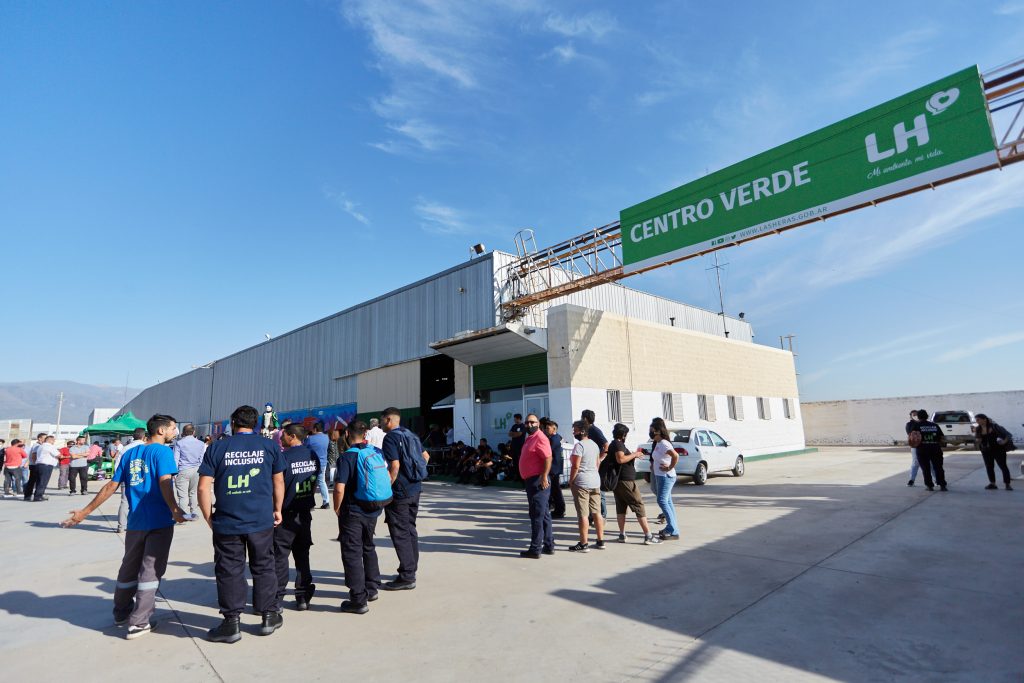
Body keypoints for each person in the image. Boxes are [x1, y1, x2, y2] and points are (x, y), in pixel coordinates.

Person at [61, 414, 185, 639]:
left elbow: (111, 486)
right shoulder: (163, 452)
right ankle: (139, 622)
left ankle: (121, 612)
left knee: (129, 567)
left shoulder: (130, 453)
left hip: (135, 521)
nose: (175, 432)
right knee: (151, 571)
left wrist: (84, 512)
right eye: (173, 428)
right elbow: (164, 482)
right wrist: (175, 509)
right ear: (161, 430)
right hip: (158, 521)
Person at [198, 405, 286, 643]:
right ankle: (269, 616)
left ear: (233, 423)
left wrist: (208, 517)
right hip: (261, 519)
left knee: (229, 569)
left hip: (228, 521)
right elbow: (278, 481)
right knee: (264, 566)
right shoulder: (269, 446)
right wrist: (277, 509)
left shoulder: (217, 447)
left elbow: (203, 487)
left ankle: (231, 623)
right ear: (256, 424)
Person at [333, 420, 391, 613]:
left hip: (353, 511)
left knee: (352, 552)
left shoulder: (346, 457)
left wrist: (337, 508)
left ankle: (358, 599)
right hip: (372, 508)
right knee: (368, 546)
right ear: (365, 434)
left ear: (347, 434)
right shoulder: (376, 451)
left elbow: (339, 488)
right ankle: (372, 588)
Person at [379, 407, 429, 590]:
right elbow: (426, 456)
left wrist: (386, 488)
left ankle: (407, 576)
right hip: (415, 488)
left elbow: (395, 466)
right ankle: (410, 568)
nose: (381, 423)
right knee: (410, 529)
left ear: (388, 420)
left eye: (382, 420)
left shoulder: (390, 438)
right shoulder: (411, 434)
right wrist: (415, 474)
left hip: (400, 491)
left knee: (400, 532)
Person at [275, 423, 319, 611]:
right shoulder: (312, 455)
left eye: (283, 435)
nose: (280, 438)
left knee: (280, 556)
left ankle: (277, 598)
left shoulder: (283, 457)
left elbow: (277, 485)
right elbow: (315, 479)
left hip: (286, 513)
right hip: (304, 511)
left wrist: (276, 509)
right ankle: (303, 596)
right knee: (302, 555)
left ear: (292, 436)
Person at [608, 423, 661, 541]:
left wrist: (633, 455)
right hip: (626, 481)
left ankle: (622, 534)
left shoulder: (615, 444)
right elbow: (620, 459)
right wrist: (634, 454)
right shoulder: (618, 444)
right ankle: (648, 536)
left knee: (621, 507)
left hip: (619, 481)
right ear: (623, 434)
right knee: (638, 505)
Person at [518, 413, 554, 558]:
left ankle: (535, 548)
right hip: (531, 480)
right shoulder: (530, 438)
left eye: (532, 422)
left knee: (536, 515)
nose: (529, 425)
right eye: (527, 423)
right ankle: (549, 545)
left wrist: (544, 476)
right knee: (543, 514)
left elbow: (548, 458)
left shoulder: (540, 437)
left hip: (537, 481)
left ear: (538, 423)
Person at [568, 420, 603, 553]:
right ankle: (600, 540)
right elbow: (597, 463)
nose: (574, 433)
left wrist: (571, 481)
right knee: (597, 512)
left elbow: (575, 466)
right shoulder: (594, 445)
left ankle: (584, 543)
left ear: (582, 431)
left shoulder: (579, 446)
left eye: (575, 430)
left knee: (583, 514)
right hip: (595, 481)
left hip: (582, 482)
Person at [644, 421, 678, 545]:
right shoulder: (658, 443)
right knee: (667, 501)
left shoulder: (664, 443)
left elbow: (675, 456)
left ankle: (673, 530)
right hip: (660, 476)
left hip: (666, 476)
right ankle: (672, 528)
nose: (650, 432)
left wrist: (669, 467)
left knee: (662, 500)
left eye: (652, 430)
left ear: (658, 431)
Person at [116, 429, 147, 533]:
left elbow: (117, 465)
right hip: (143, 479)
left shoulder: (125, 448)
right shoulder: (146, 448)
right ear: (143, 437)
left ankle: (121, 526)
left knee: (124, 501)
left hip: (126, 478)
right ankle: (140, 525)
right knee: (142, 501)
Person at [909, 409, 948, 492]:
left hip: (922, 449)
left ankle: (929, 486)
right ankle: (942, 485)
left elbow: (912, 439)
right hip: (935, 448)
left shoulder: (916, 426)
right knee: (938, 467)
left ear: (918, 417)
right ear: (927, 416)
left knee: (925, 468)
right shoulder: (934, 425)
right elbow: (942, 438)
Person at [581, 409, 609, 521]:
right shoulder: (586, 430)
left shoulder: (594, 430)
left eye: (582, 417)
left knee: (598, 490)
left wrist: (600, 459)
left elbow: (606, 445)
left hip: (597, 465)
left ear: (585, 419)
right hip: (589, 464)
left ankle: (602, 515)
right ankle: (592, 515)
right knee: (590, 489)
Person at [172, 424, 205, 519]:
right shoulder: (201, 443)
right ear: (193, 432)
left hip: (183, 470)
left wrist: (174, 472)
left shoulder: (179, 443)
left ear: (183, 432)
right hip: (196, 469)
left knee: (183, 495)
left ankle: (184, 515)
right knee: (193, 493)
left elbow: (175, 459)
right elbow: (202, 458)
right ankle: (193, 513)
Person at [974, 414, 1014, 491]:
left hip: (998, 450)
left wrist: (1004, 442)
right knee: (989, 467)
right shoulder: (978, 429)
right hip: (985, 450)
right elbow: (977, 439)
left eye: (978, 419)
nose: (977, 421)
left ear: (984, 419)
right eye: (976, 420)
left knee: (1003, 466)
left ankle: (1007, 484)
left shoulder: (995, 426)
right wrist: (978, 440)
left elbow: (1008, 435)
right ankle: (992, 484)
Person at [541, 418, 566, 518]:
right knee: (554, 490)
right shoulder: (556, 437)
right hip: (555, 467)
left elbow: (547, 452)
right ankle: (557, 508)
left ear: (554, 429)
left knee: (556, 490)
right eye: (545, 428)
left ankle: (560, 510)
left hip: (553, 468)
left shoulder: (553, 439)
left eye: (548, 428)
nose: (546, 430)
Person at [24, 434, 59, 501]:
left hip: (37, 465)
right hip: (35, 465)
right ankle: (31, 496)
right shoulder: (37, 445)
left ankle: (35, 495)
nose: (45, 439)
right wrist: (37, 464)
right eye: (44, 438)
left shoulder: (41, 445)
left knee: (38, 481)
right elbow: (34, 456)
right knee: (35, 481)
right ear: (39, 438)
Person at [305, 421, 331, 510]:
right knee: (322, 482)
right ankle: (326, 502)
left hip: (312, 463)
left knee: (311, 483)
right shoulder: (326, 437)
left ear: (315, 429)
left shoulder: (310, 439)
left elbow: (305, 448)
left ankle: (311, 504)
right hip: (323, 463)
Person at [508, 414, 526, 482]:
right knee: (515, 462)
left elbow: (520, 434)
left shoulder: (523, 426)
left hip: (520, 447)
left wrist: (514, 434)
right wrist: (516, 434)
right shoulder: (514, 426)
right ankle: (517, 476)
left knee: (520, 462)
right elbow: (509, 434)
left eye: (515, 419)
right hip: (514, 447)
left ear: (519, 419)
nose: (514, 420)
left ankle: (522, 477)